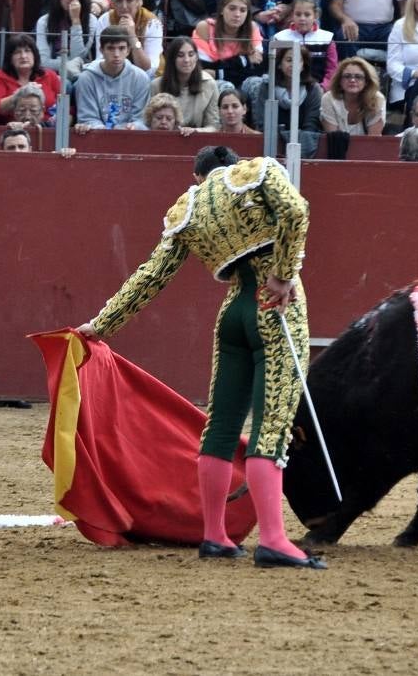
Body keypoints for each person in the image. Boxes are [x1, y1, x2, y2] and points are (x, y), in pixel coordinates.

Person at [75, 145, 326, 570]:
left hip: (232, 314)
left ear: (199, 177)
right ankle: (274, 539)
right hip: (274, 309)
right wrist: (282, 276)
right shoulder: (257, 172)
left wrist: (101, 325)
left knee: (221, 424)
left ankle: (214, 535)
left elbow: (151, 275)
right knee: (273, 423)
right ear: (232, 165)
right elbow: (296, 211)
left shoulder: (189, 206)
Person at [74, 25, 152, 133]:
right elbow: (87, 118)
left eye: (121, 48)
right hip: (98, 138)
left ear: (128, 50)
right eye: (110, 48)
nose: (116, 54)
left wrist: (133, 126)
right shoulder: (86, 79)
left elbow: (142, 119)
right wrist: (108, 132)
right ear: (101, 50)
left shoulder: (140, 78)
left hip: (131, 136)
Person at [242, 45, 324, 134]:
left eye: (298, 60)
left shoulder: (313, 89)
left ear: (303, 66)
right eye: (289, 60)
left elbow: (311, 125)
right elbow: (262, 122)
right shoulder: (267, 86)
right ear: (279, 65)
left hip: (304, 142)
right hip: (271, 141)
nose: (293, 64)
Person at [194, 0, 265, 89]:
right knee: (227, 87)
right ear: (222, 10)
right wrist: (244, 60)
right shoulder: (205, 28)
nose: (237, 14)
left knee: (258, 84)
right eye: (232, 8)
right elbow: (205, 71)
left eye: (243, 10)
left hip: (244, 83)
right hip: (212, 85)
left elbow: (256, 68)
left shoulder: (252, 28)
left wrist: (220, 70)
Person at [0, 34, 63, 124]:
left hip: (47, 129)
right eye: (17, 52)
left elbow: (66, 109)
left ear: (35, 55)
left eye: (27, 51)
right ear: (10, 58)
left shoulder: (50, 75)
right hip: (10, 129)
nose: (23, 56)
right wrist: (22, 92)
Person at [271, 0, 338, 90]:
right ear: (292, 15)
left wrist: (322, 88)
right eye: (298, 14)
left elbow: (332, 70)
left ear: (316, 16)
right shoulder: (280, 38)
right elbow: (275, 68)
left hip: (319, 89)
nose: (302, 18)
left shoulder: (327, 38)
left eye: (307, 14)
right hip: (286, 89)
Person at [152, 37, 220, 130]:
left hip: (197, 139)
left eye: (191, 54)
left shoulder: (209, 83)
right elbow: (149, 121)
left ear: (196, 57)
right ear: (172, 59)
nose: (187, 60)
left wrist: (195, 131)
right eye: (180, 55)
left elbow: (214, 125)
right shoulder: (156, 85)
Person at [94, 0, 164, 77]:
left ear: (138, 2)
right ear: (113, 4)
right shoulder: (104, 20)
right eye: (119, 0)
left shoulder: (152, 23)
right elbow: (100, 59)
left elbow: (148, 68)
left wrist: (132, 36)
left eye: (129, 0)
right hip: (113, 73)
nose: (124, 6)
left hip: (149, 76)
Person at [328, 0, 411, 58]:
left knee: (402, 37)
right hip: (353, 26)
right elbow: (335, 5)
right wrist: (345, 19)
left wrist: (402, 25)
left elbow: (405, 3)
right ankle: (350, 73)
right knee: (344, 36)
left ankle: (393, 74)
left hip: (385, 28)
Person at [36, 0, 100, 78]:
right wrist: (67, 64)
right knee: (65, 85)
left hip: (79, 73)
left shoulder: (91, 20)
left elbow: (78, 56)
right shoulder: (44, 21)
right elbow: (43, 61)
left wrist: (76, 20)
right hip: (53, 74)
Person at [320, 57, 386, 135]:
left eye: (358, 77)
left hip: (368, 146)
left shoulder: (377, 99)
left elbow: (373, 140)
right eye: (347, 76)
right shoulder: (328, 99)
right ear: (339, 81)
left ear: (367, 81)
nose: (352, 80)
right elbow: (333, 138)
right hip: (336, 146)